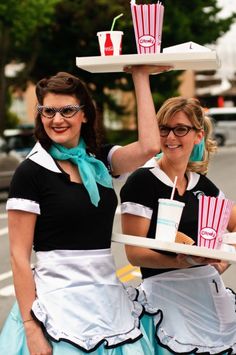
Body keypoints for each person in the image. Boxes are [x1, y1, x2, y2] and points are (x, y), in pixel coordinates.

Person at [0, 67, 170, 355]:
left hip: (106, 298)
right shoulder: (31, 172)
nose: (57, 119)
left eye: (67, 110)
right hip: (57, 304)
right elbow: (18, 256)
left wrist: (140, 77)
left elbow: (151, 146)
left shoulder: (100, 160)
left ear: (85, 114)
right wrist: (30, 326)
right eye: (48, 111)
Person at [120, 96, 236, 354]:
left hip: (209, 296)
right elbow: (134, 253)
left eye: (180, 129)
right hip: (167, 296)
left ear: (198, 135)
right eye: (164, 129)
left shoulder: (203, 186)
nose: (171, 137)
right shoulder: (142, 182)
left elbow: (234, 226)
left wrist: (223, 259)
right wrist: (183, 262)